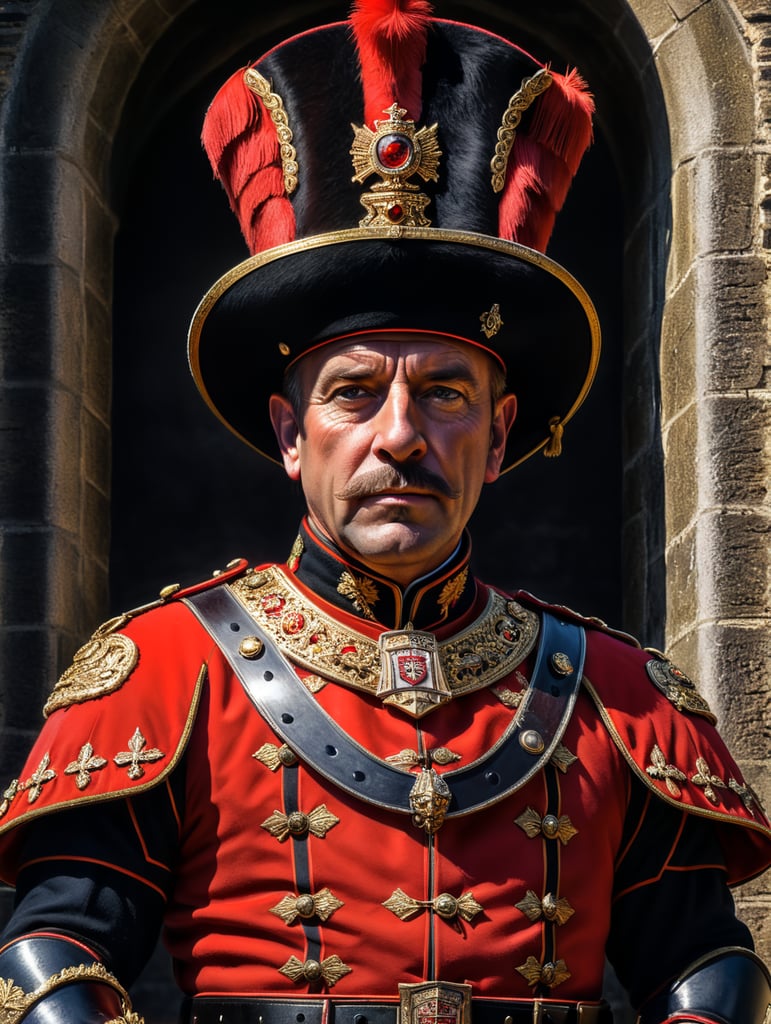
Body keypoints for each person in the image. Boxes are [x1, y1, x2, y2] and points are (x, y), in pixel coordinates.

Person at [0, 2, 770, 1023]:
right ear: (290, 433)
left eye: (444, 394)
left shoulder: (623, 699)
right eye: (355, 392)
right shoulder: (163, 671)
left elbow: (708, 964)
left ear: (499, 436)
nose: (400, 436)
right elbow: (52, 955)